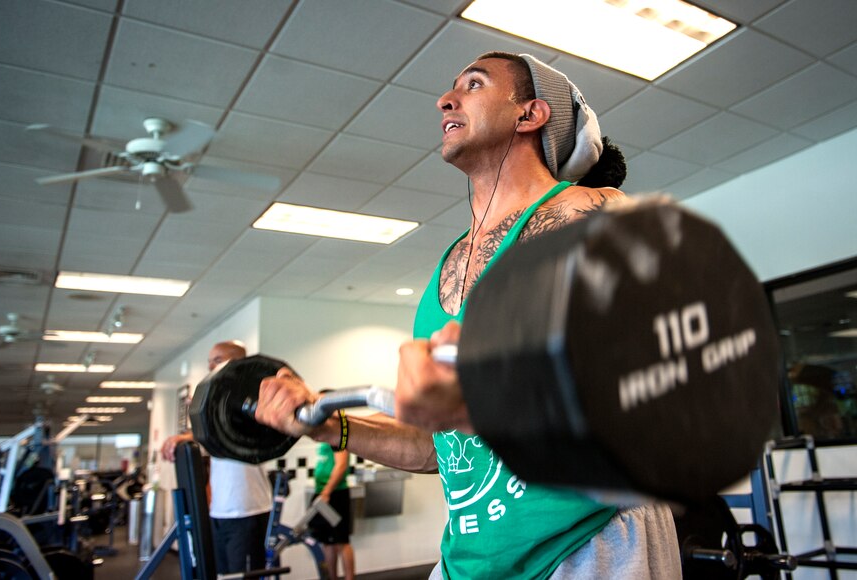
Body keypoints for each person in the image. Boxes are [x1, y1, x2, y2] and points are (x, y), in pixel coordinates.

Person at [255, 52, 681, 579]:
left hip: (587, 543)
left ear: (529, 114)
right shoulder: (445, 268)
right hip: (471, 561)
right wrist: (328, 427)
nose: (445, 100)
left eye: (473, 85)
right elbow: (437, 446)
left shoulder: (594, 213)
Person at [161, 340, 273, 575]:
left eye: (218, 360)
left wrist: (187, 436)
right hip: (221, 508)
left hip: (247, 508)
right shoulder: (215, 401)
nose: (211, 366)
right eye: (210, 362)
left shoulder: (251, 398)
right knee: (223, 574)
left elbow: (226, 427)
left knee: (244, 575)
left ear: (237, 362)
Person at [308, 392, 356, 580]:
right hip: (323, 494)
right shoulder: (324, 435)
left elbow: (342, 465)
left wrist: (327, 492)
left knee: (341, 541)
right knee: (327, 542)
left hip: (335, 495)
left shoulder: (340, 432)